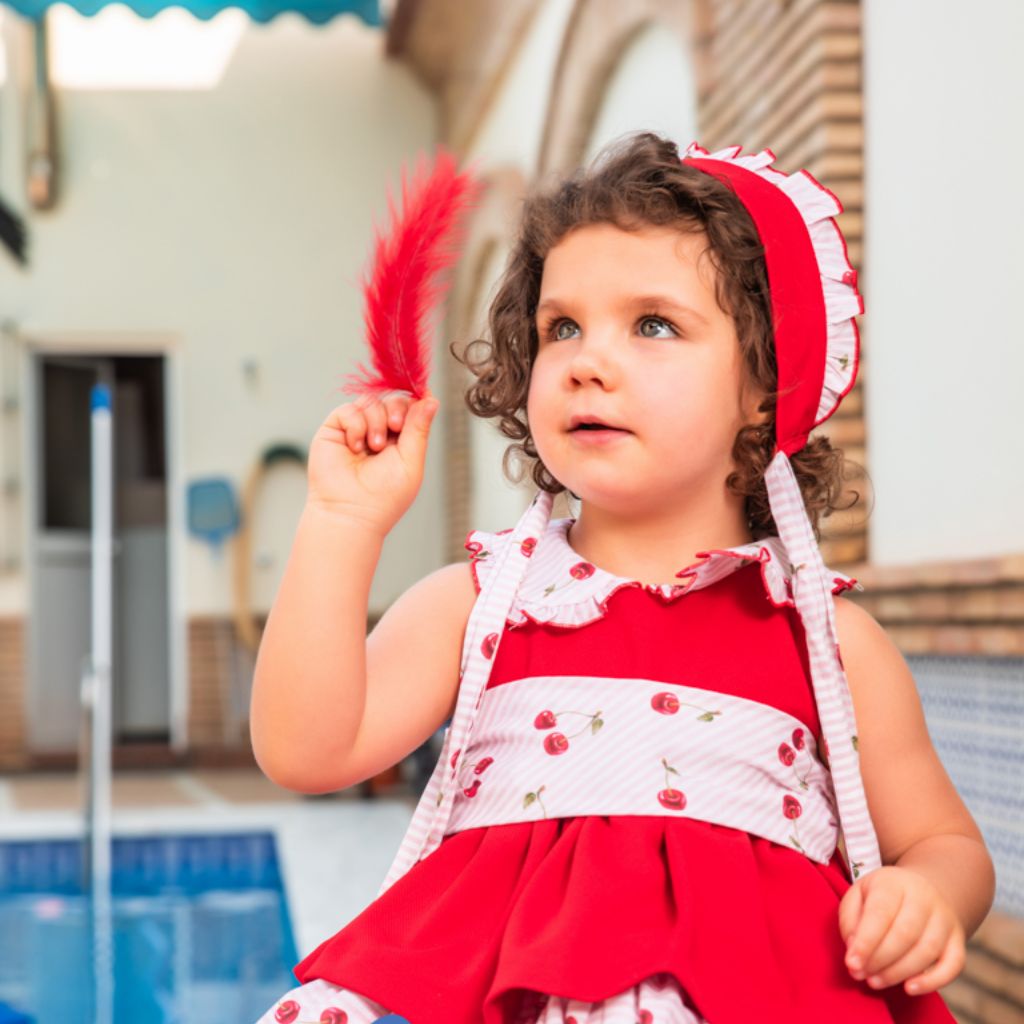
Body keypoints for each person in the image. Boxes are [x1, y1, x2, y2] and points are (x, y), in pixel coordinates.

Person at [249, 132, 995, 1024]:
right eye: (561, 327)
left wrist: (928, 896)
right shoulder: (480, 606)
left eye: (653, 325)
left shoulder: (830, 645)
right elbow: (306, 751)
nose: (585, 361)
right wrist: (342, 524)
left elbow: (944, 842)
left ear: (766, 382)